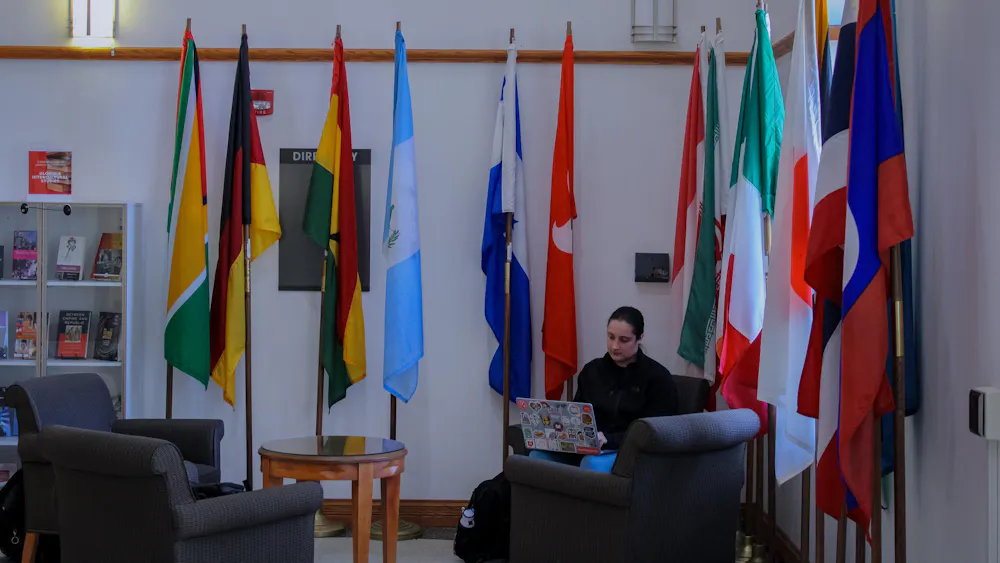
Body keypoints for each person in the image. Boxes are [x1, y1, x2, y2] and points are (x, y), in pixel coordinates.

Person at [528, 306, 679, 472]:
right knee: (537, 457)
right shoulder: (592, 371)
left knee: (591, 464)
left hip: (626, 450)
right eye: (610, 337)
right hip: (587, 446)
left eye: (624, 340)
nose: (615, 346)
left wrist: (608, 439)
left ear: (639, 338)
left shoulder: (657, 377)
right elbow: (577, 414)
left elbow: (656, 431)